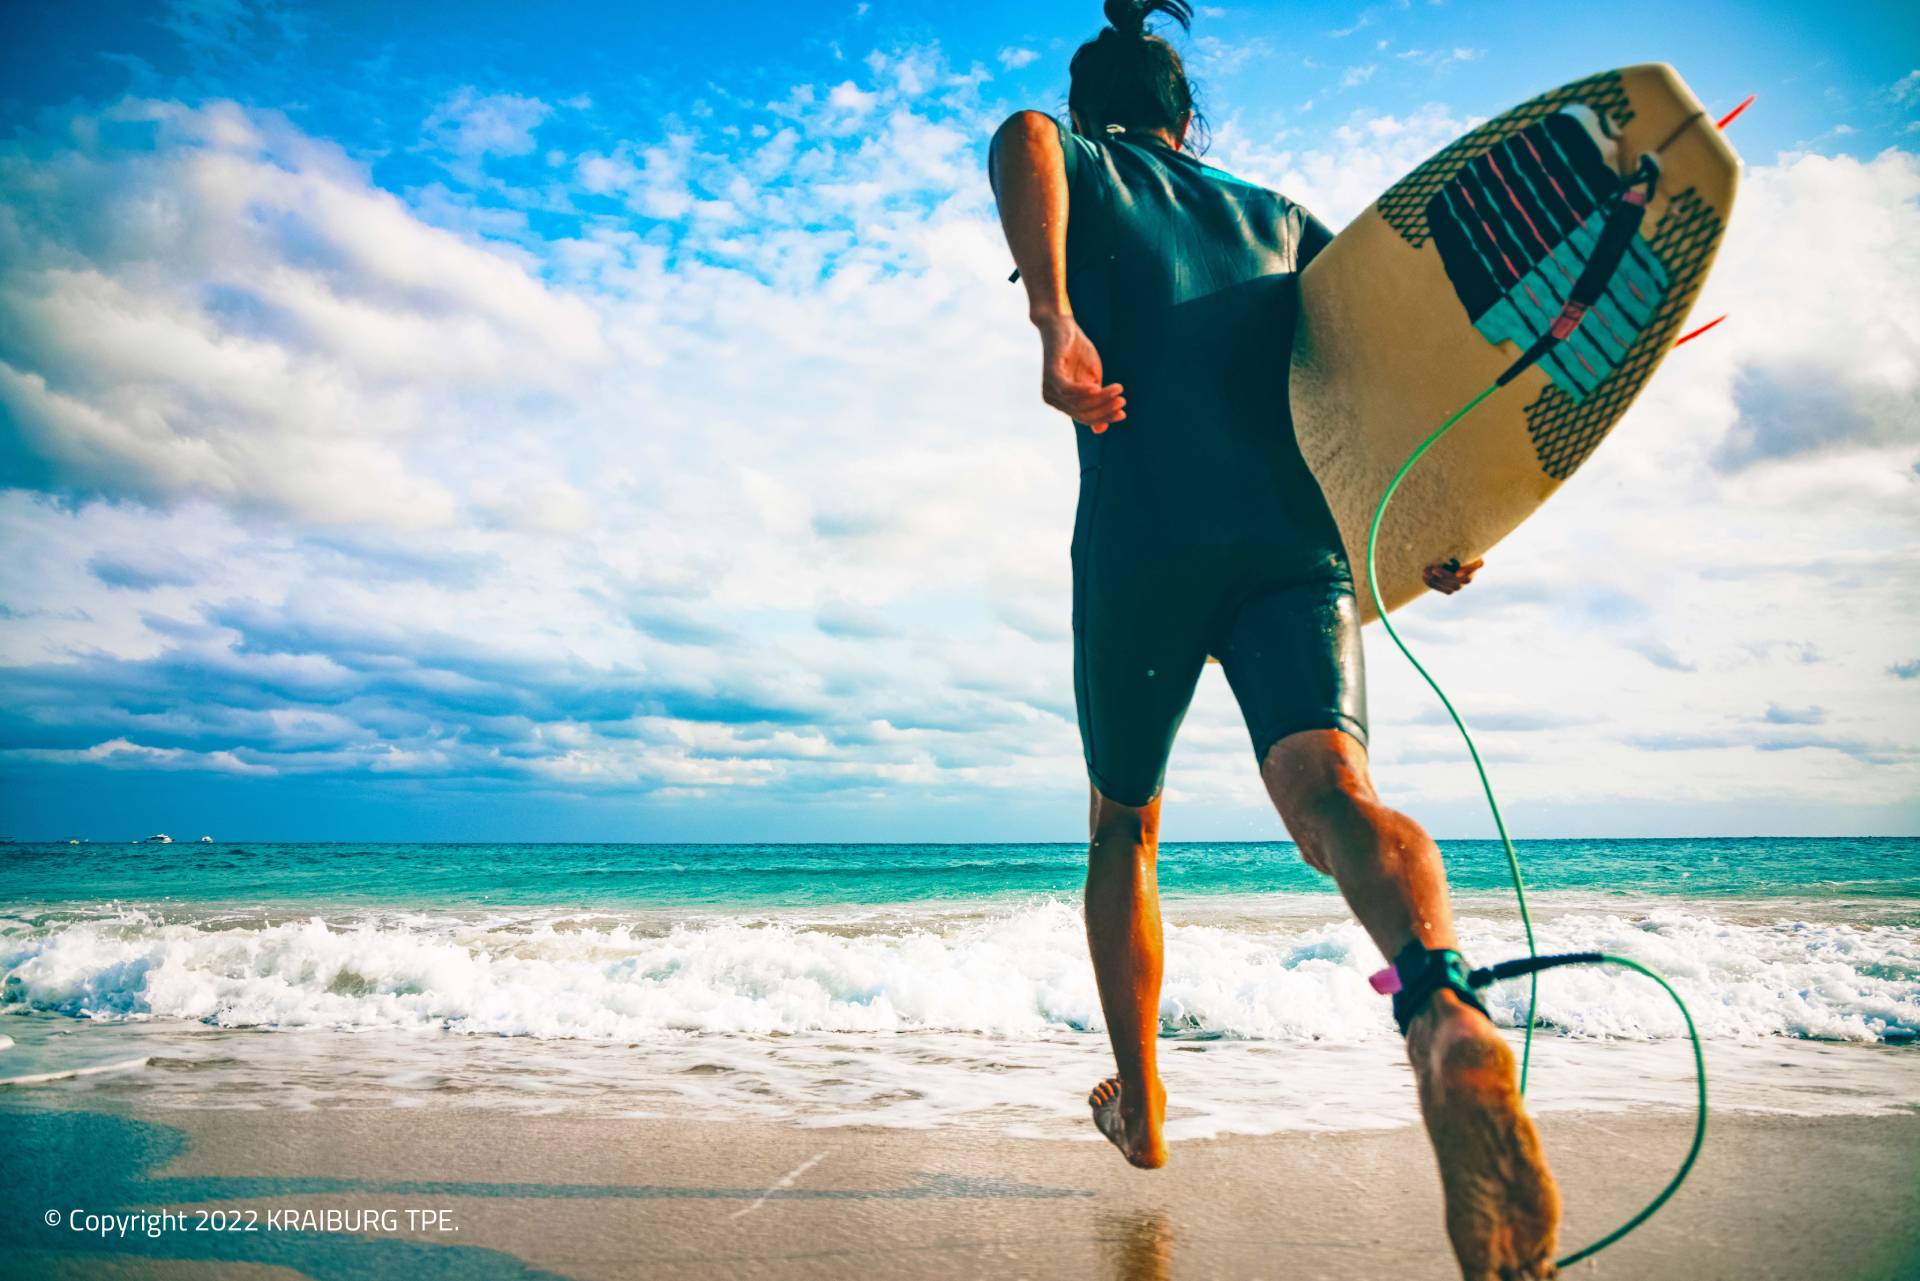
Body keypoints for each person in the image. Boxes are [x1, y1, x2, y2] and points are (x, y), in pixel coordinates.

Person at [986, 3, 1560, 1277]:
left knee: (1124, 830)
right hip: (1296, 551)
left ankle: (1143, 1108)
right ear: (1189, 120)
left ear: (1094, 115)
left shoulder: (1080, 164)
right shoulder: (1290, 223)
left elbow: (1020, 134)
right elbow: (1385, 385)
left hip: (1143, 543)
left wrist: (1054, 320)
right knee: (1334, 796)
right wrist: (1442, 524)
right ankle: (1441, 1004)